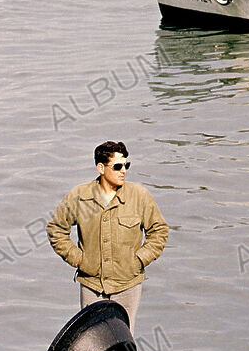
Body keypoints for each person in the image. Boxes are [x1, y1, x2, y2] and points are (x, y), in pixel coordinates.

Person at [46, 141, 168, 337]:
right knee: (91, 340)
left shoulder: (139, 196)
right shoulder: (79, 196)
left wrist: (139, 260)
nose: (123, 171)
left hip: (127, 283)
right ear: (101, 168)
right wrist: (79, 259)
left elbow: (159, 230)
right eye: (117, 166)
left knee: (122, 343)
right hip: (92, 284)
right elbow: (56, 228)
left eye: (126, 166)